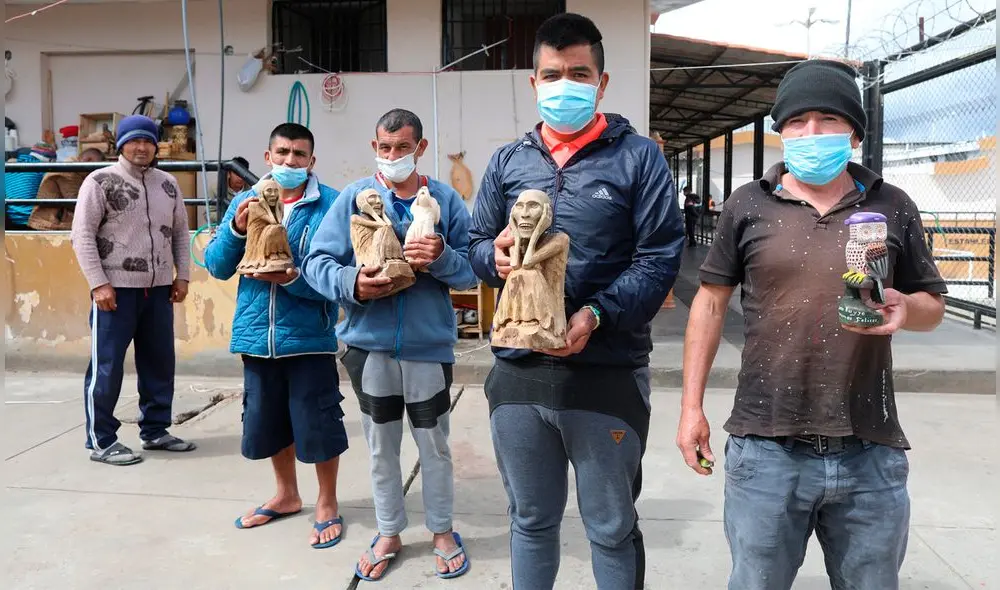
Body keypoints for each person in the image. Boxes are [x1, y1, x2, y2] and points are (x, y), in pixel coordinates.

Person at [676, 59, 947, 590]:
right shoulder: (748, 204)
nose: (812, 133)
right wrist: (691, 409)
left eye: (828, 119)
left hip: (869, 448)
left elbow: (933, 306)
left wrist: (904, 309)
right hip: (766, 446)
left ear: (854, 131)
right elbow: (708, 306)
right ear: (781, 130)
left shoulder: (892, 206)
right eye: (797, 121)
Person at [467, 13, 684, 590]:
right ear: (534, 83)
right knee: (531, 520)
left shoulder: (639, 159)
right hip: (518, 371)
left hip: (604, 371)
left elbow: (660, 257)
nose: (564, 85)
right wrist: (497, 257)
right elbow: (472, 244)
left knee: (611, 527)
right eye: (552, 74)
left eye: (578, 74)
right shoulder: (508, 162)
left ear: (601, 83)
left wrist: (596, 314)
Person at [301, 108, 477, 581]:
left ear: (420, 148)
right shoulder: (356, 199)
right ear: (373, 146)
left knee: (433, 444)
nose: (392, 155)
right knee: (381, 445)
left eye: (402, 147)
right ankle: (389, 530)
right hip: (369, 346)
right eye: (384, 147)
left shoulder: (444, 200)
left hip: (427, 348)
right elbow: (316, 262)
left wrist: (440, 257)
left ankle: (441, 530)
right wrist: (353, 283)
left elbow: (471, 270)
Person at [203, 123, 348, 549]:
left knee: (317, 421)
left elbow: (335, 276)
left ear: (311, 161)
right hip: (255, 336)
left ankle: (327, 502)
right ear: (268, 157)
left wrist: (291, 279)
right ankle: (286, 495)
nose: (289, 162)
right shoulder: (245, 203)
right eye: (282, 153)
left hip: (308, 337)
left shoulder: (331, 206)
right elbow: (216, 265)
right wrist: (236, 232)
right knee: (267, 420)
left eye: (299, 155)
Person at [69, 114, 195, 466]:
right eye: (134, 141)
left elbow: (181, 234)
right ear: (121, 145)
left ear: (156, 145)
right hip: (115, 291)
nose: (141, 147)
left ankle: (155, 430)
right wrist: (98, 284)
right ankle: (101, 440)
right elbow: (81, 237)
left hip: (157, 291)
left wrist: (181, 276)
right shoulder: (100, 181)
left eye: (148, 141)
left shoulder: (168, 184)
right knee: (107, 366)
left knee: (159, 362)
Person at [28, 148, 104, 231]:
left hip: (53, 218)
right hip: (47, 222)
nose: (93, 173)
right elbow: (75, 202)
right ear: (88, 160)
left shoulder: (73, 169)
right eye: (94, 169)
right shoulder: (69, 171)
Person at [5, 141, 57, 230]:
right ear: (51, 160)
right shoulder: (42, 169)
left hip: (8, 220)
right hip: (30, 222)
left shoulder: (9, 168)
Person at [206, 155, 250, 224]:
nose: (240, 178)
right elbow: (208, 214)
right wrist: (231, 217)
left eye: (243, 174)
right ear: (229, 174)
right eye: (237, 174)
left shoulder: (252, 189)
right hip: (223, 226)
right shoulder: (215, 189)